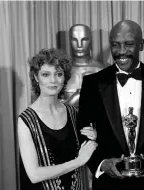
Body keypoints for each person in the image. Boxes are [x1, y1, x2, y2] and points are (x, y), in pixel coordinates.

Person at [76, 20, 144, 190]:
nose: (121, 51)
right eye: (115, 45)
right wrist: (101, 163)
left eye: (129, 44)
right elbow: (81, 131)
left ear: (141, 45)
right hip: (107, 184)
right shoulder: (92, 83)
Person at [17, 48, 98, 190]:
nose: (53, 80)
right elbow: (34, 175)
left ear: (65, 78)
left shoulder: (73, 113)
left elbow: (87, 154)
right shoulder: (25, 120)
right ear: (36, 77)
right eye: (46, 75)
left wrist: (93, 138)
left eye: (58, 74)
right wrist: (77, 162)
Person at [64, 24, 106, 108]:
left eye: (84, 40)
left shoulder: (101, 70)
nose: (79, 45)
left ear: (91, 41)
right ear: (69, 41)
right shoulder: (62, 70)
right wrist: (74, 99)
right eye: (74, 40)